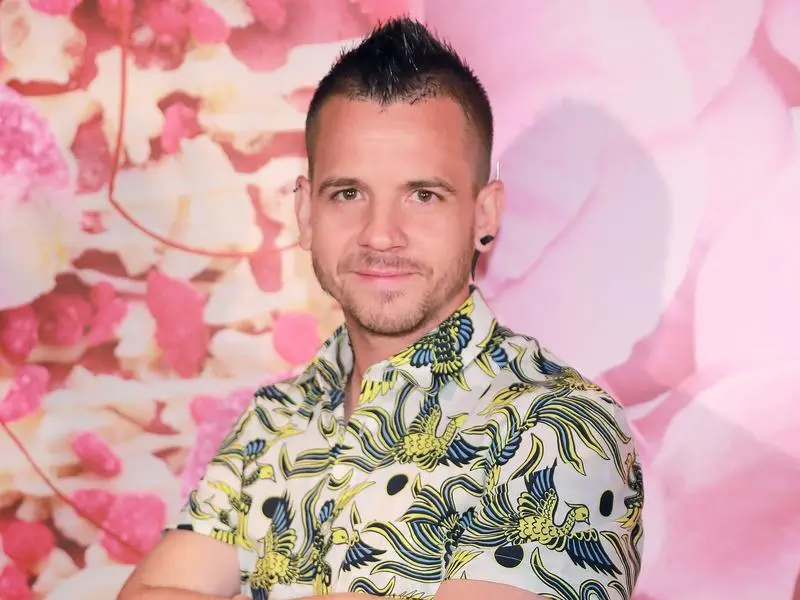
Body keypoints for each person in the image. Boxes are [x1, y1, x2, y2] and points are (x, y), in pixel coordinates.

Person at [118, 17, 644, 600]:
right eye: (349, 193)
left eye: (422, 195)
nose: (381, 234)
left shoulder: (556, 425)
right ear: (306, 213)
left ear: (485, 215)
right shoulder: (275, 418)